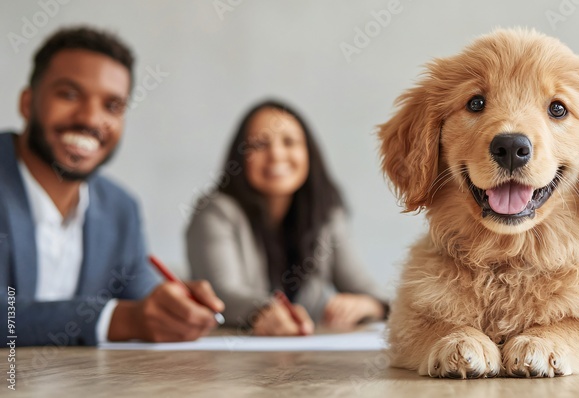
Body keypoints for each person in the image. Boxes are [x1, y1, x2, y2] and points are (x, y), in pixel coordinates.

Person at [0, 26, 225, 346]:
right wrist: (115, 319)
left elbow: (140, 294)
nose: (91, 119)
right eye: (69, 94)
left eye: (112, 106)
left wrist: (177, 304)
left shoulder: (120, 208)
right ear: (27, 103)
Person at [186, 100, 389, 336]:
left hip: (305, 359)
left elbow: (370, 290)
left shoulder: (327, 213)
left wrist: (369, 304)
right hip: (234, 359)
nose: (276, 154)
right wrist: (263, 310)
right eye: (260, 144)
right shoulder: (214, 211)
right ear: (240, 157)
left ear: (309, 153)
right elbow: (222, 292)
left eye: (289, 142)